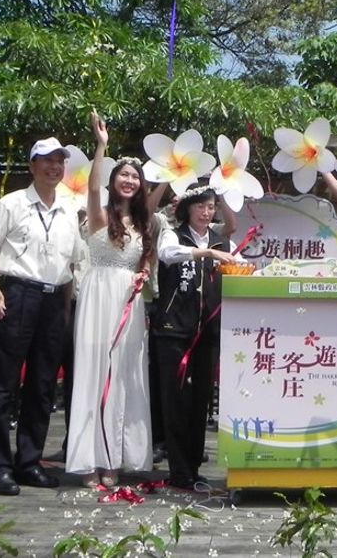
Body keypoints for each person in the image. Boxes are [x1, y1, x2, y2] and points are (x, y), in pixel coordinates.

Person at [0, 136, 84, 496]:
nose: (55, 166)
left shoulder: (71, 207)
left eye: (60, 161)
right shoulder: (11, 204)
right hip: (18, 293)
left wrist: (67, 308)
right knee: (2, 382)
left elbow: (71, 262)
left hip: (55, 300)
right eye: (47, 160)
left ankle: (29, 461)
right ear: (32, 165)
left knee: (41, 385)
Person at [67, 113, 161, 488]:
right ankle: (88, 460)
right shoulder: (98, 215)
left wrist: (142, 274)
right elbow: (91, 189)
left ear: (140, 186)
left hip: (128, 303)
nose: (129, 180)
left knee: (124, 376)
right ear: (113, 181)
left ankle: (115, 459)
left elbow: (147, 261)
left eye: (135, 177)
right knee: (92, 374)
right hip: (97, 297)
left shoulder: (145, 224)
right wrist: (101, 145)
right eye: (123, 175)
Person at [155, 186, 239, 489]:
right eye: (201, 207)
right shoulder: (173, 234)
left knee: (200, 401)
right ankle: (178, 469)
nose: (207, 212)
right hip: (174, 330)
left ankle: (192, 466)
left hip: (207, 332)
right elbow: (167, 256)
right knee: (176, 400)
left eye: (211, 207)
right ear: (187, 209)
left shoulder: (220, 239)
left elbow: (235, 267)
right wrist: (206, 252)